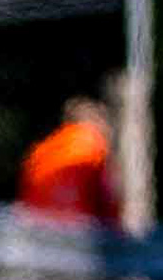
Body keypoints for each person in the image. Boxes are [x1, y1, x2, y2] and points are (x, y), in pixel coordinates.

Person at [17, 96, 120, 224]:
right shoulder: (94, 148)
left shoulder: (40, 152)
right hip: (78, 235)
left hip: (38, 233)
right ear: (96, 121)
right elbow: (108, 205)